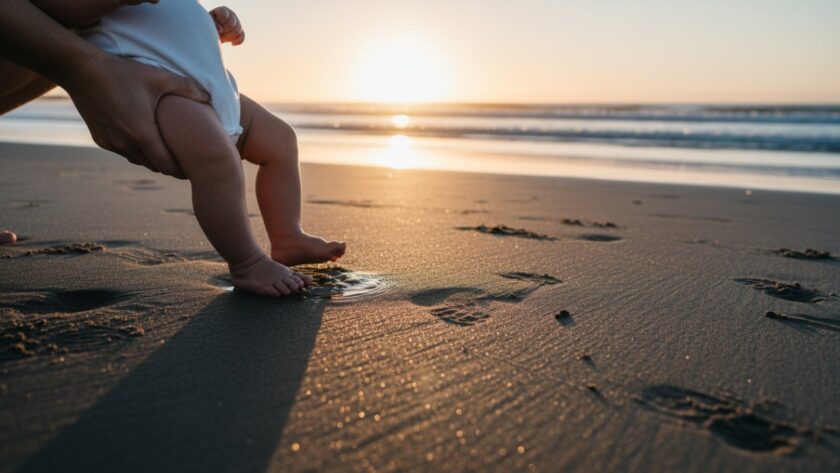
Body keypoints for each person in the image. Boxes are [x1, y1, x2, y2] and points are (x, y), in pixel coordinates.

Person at [5, 0, 347, 296]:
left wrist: (217, 21)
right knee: (218, 163)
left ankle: (287, 236)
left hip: (212, 87)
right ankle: (246, 262)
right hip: (159, 88)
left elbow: (174, 22)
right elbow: (61, 12)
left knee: (281, 140)